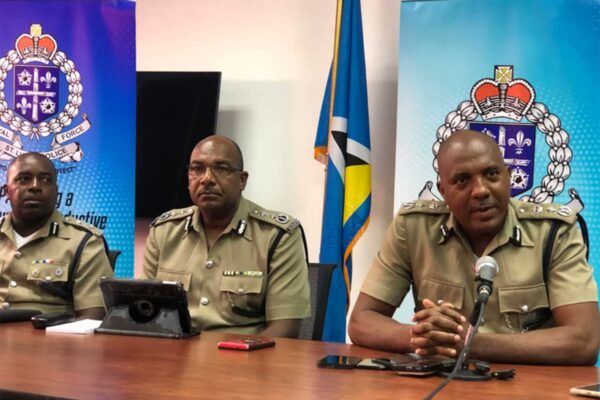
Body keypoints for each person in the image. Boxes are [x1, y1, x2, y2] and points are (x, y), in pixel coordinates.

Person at [349, 129, 599, 365]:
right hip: (442, 384)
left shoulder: (554, 231)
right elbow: (361, 321)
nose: (480, 190)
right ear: (443, 191)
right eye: (462, 180)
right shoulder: (414, 228)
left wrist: (470, 343)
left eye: (491, 174)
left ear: (509, 177)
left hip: (528, 386)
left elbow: (585, 340)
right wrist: (422, 336)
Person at [142, 135, 310, 338]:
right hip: (172, 357)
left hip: (243, 361)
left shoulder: (277, 236)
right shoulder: (164, 231)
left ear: (242, 180)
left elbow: (285, 329)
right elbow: (145, 313)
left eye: (221, 168)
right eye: (197, 169)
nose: (207, 179)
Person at [0, 152, 113, 319]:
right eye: (24, 179)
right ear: (7, 191)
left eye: (46, 180)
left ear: (56, 192)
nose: (35, 186)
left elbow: (92, 319)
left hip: (49, 339)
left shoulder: (84, 242)